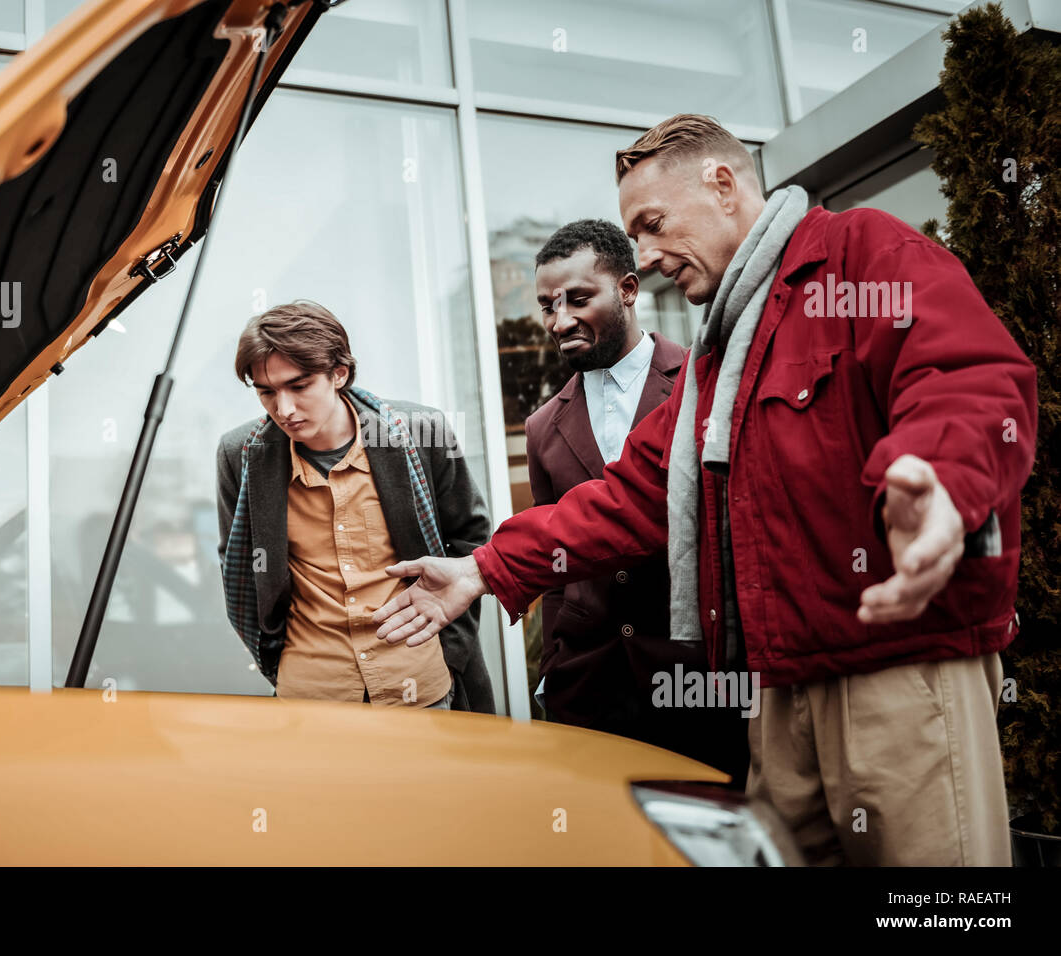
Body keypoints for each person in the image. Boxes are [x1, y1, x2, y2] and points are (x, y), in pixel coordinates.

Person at [373, 114, 1037, 865]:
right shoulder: (715, 363)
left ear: (723, 185)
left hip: (898, 672)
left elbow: (967, 379)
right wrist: (484, 567)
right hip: (775, 693)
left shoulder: (863, 252)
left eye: (653, 226)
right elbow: (630, 495)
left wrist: (939, 480)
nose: (648, 258)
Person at [526, 218, 746, 777]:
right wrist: (553, 668)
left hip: (700, 679)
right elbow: (556, 563)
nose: (561, 319)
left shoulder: (709, 380)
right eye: (548, 305)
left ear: (628, 290)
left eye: (578, 298)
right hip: (590, 684)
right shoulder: (542, 426)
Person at [216, 300, 494, 712]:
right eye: (267, 392)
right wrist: (274, 659)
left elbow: (472, 546)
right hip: (311, 693)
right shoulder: (241, 454)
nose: (284, 409)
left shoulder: (421, 432)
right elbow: (238, 570)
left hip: (419, 682)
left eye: (299, 385)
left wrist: (449, 651)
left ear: (339, 373)